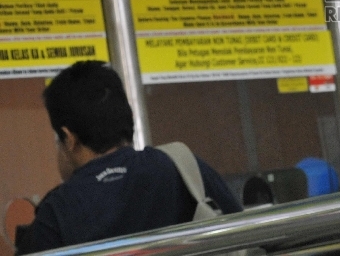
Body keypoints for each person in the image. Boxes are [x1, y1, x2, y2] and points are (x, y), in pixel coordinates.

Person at [16, 60, 241, 254]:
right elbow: (242, 230)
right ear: (128, 116)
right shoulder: (182, 166)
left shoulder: (56, 211)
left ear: (69, 137)